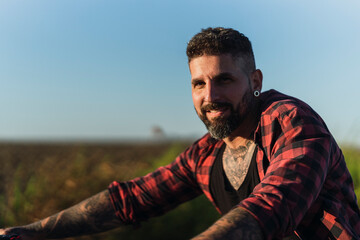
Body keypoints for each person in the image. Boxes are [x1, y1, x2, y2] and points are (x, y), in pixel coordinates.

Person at [1, 27, 359, 240]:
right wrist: (34, 231)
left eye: (224, 80)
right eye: (199, 84)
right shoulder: (204, 154)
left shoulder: (292, 122)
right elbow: (132, 199)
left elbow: (272, 206)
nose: (210, 96)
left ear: (255, 81)